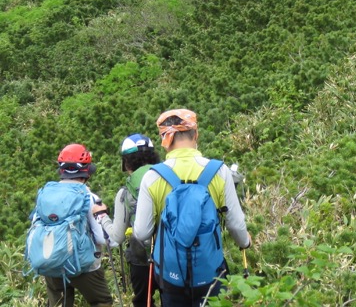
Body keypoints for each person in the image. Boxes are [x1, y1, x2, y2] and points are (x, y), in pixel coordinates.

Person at [133, 109, 250, 307]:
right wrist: (245, 242)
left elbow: (142, 232)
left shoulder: (152, 177)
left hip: (171, 274)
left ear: (165, 140)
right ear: (195, 134)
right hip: (210, 271)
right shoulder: (219, 172)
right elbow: (236, 225)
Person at [37, 144, 114, 307]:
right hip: (85, 266)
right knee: (101, 301)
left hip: (51, 262)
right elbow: (103, 237)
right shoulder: (89, 197)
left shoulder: (46, 195)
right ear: (86, 172)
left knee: (59, 304)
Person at [95, 134, 162, 307]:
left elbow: (116, 237)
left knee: (143, 302)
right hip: (173, 253)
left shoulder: (125, 193)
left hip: (142, 259)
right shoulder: (168, 178)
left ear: (127, 162)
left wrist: (102, 218)